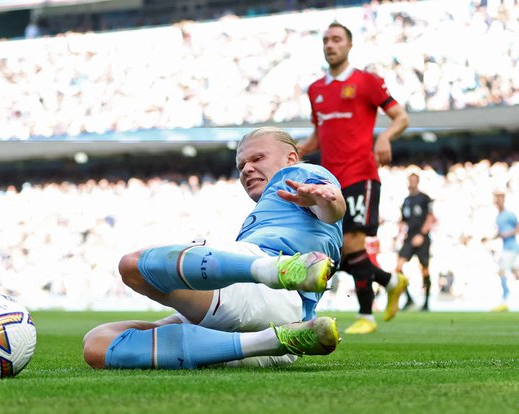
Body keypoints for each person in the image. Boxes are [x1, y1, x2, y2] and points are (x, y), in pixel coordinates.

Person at [82, 126, 345, 369]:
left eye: (257, 158)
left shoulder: (299, 176)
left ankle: (275, 270)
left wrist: (328, 201)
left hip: (269, 291)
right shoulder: (269, 213)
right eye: (242, 165)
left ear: (290, 158)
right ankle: (278, 338)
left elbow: (331, 209)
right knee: (98, 344)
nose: (246, 169)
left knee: (134, 266)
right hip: (272, 335)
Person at [298, 22, 410, 334]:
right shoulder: (316, 90)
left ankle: (366, 317)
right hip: (329, 181)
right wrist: (298, 150)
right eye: (325, 40)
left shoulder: (367, 82)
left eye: (336, 39)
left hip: (361, 174)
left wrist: (385, 137)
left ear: (349, 45)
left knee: (351, 242)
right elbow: (319, 135)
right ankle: (391, 281)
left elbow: (401, 117)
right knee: (339, 253)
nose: (330, 45)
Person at [395, 172, 436, 311]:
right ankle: (408, 298)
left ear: (417, 182)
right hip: (409, 238)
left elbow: (430, 218)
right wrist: (400, 233)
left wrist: (422, 235)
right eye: (410, 180)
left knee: (424, 269)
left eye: (414, 180)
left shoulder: (424, 198)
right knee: (399, 266)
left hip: (422, 238)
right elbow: (403, 220)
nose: (412, 182)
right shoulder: (406, 200)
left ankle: (426, 302)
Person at [491, 190, 518, 312]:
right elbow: (499, 233)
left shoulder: (509, 215)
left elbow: (517, 227)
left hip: (511, 248)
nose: (497, 200)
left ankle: (505, 299)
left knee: (502, 271)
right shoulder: (498, 217)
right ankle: (505, 299)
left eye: (500, 197)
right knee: (514, 273)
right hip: (506, 248)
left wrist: (507, 234)